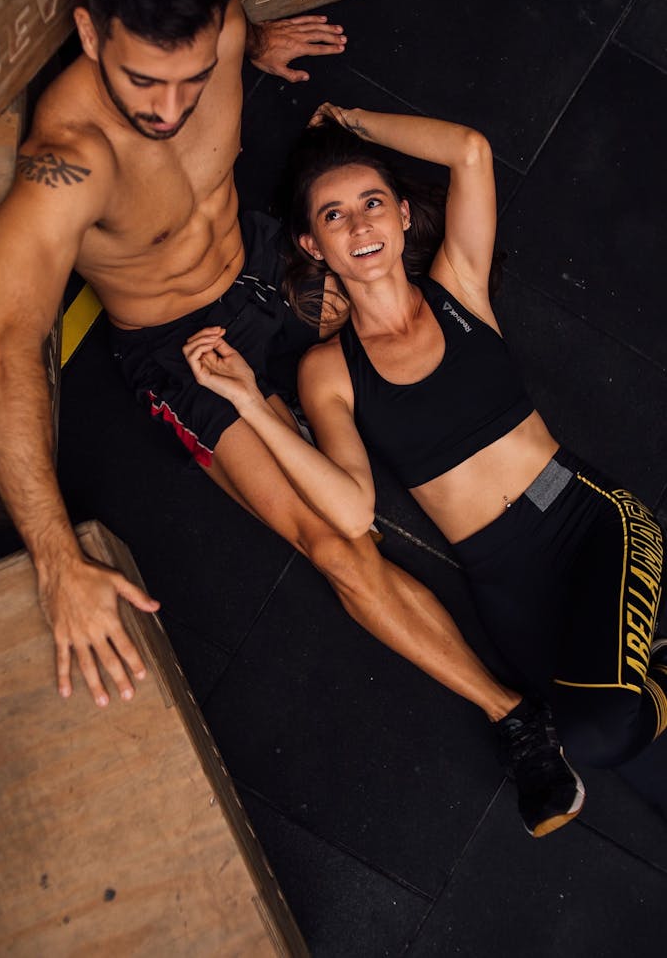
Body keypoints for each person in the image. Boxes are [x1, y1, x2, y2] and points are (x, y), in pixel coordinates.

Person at [0, 0, 581, 839]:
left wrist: (249, 52)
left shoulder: (222, 32)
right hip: (184, 347)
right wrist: (57, 560)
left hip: (266, 264)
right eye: (141, 80)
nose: (170, 111)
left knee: (433, 323)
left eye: (193, 75)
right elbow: (0, 349)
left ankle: (562, 550)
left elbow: (229, 38)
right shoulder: (69, 163)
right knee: (335, 540)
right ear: (89, 31)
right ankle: (514, 716)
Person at [183, 103, 667, 819]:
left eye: (372, 204)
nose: (360, 225)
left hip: (584, 520)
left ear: (404, 215)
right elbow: (349, 508)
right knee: (635, 759)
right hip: (507, 585)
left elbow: (471, 150)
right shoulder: (329, 371)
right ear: (313, 245)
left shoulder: (459, 288)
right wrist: (252, 402)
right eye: (335, 216)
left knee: (598, 734)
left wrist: (351, 125)